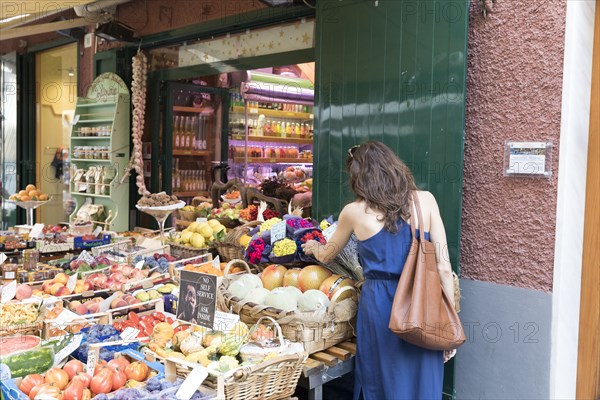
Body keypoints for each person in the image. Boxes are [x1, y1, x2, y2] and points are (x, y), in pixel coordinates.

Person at [302, 141, 456, 400]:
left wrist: (313, 247)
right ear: (394, 167)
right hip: (424, 304)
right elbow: (443, 266)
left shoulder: (353, 212)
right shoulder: (426, 201)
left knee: (382, 381)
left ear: (358, 178)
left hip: (380, 308)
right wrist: (449, 323)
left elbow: (329, 253)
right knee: (422, 381)